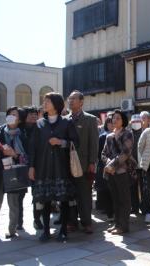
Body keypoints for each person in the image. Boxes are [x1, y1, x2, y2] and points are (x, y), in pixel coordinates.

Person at [28, 92, 78, 242]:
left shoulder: (66, 123)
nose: (45, 103)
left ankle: (63, 230)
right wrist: (31, 167)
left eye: (48, 101)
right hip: (43, 167)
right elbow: (33, 148)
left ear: (56, 104)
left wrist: (61, 142)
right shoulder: (39, 124)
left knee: (63, 199)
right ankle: (46, 231)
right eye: (44, 101)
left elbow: (76, 143)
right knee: (45, 199)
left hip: (61, 166)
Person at [0, 107, 28, 239]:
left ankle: (12, 230)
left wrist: (14, 154)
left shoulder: (23, 134)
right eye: (9, 114)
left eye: (14, 115)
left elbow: (28, 157)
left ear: (19, 120)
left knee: (13, 203)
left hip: (15, 172)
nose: (11, 116)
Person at [66, 90, 99, 234]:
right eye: (69, 99)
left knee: (84, 194)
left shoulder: (90, 119)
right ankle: (72, 222)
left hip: (84, 163)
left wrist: (92, 162)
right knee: (70, 194)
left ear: (81, 102)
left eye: (74, 99)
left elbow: (94, 143)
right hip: (67, 164)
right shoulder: (65, 119)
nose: (70, 101)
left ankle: (87, 222)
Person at [102, 110, 135, 234]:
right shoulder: (109, 136)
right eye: (113, 118)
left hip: (123, 171)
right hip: (111, 172)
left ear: (123, 121)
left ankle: (123, 226)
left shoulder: (128, 134)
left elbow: (126, 152)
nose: (114, 120)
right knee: (115, 199)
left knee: (124, 199)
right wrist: (108, 164)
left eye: (118, 118)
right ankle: (116, 224)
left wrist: (112, 165)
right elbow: (103, 153)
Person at [20, 106, 42, 229]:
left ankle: (37, 219)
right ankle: (19, 221)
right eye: (30, 114)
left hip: (36, 165)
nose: (33, 116)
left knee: (37, 194)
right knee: (19, 194)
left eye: (35, 114)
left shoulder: (40, 128)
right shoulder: (19, 128)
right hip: (21, 165)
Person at [96, 113, 114, 219]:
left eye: (113, 122)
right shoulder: (102, 137)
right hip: (104, 165)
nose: (111, 124)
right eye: (109, 123)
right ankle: (108, 211)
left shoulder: (119, 135)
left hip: (117, 166)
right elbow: (99, 153)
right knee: (105, 189)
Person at [130, 114, 143, 215]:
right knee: (133, 187)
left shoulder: (145, 133)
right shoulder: (128, 134)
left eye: (137, 122)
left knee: (144, 188)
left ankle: (145, 207)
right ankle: (134, 207)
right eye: (134, 122)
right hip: (131, 165)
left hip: (143, 165)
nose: (136, 124)